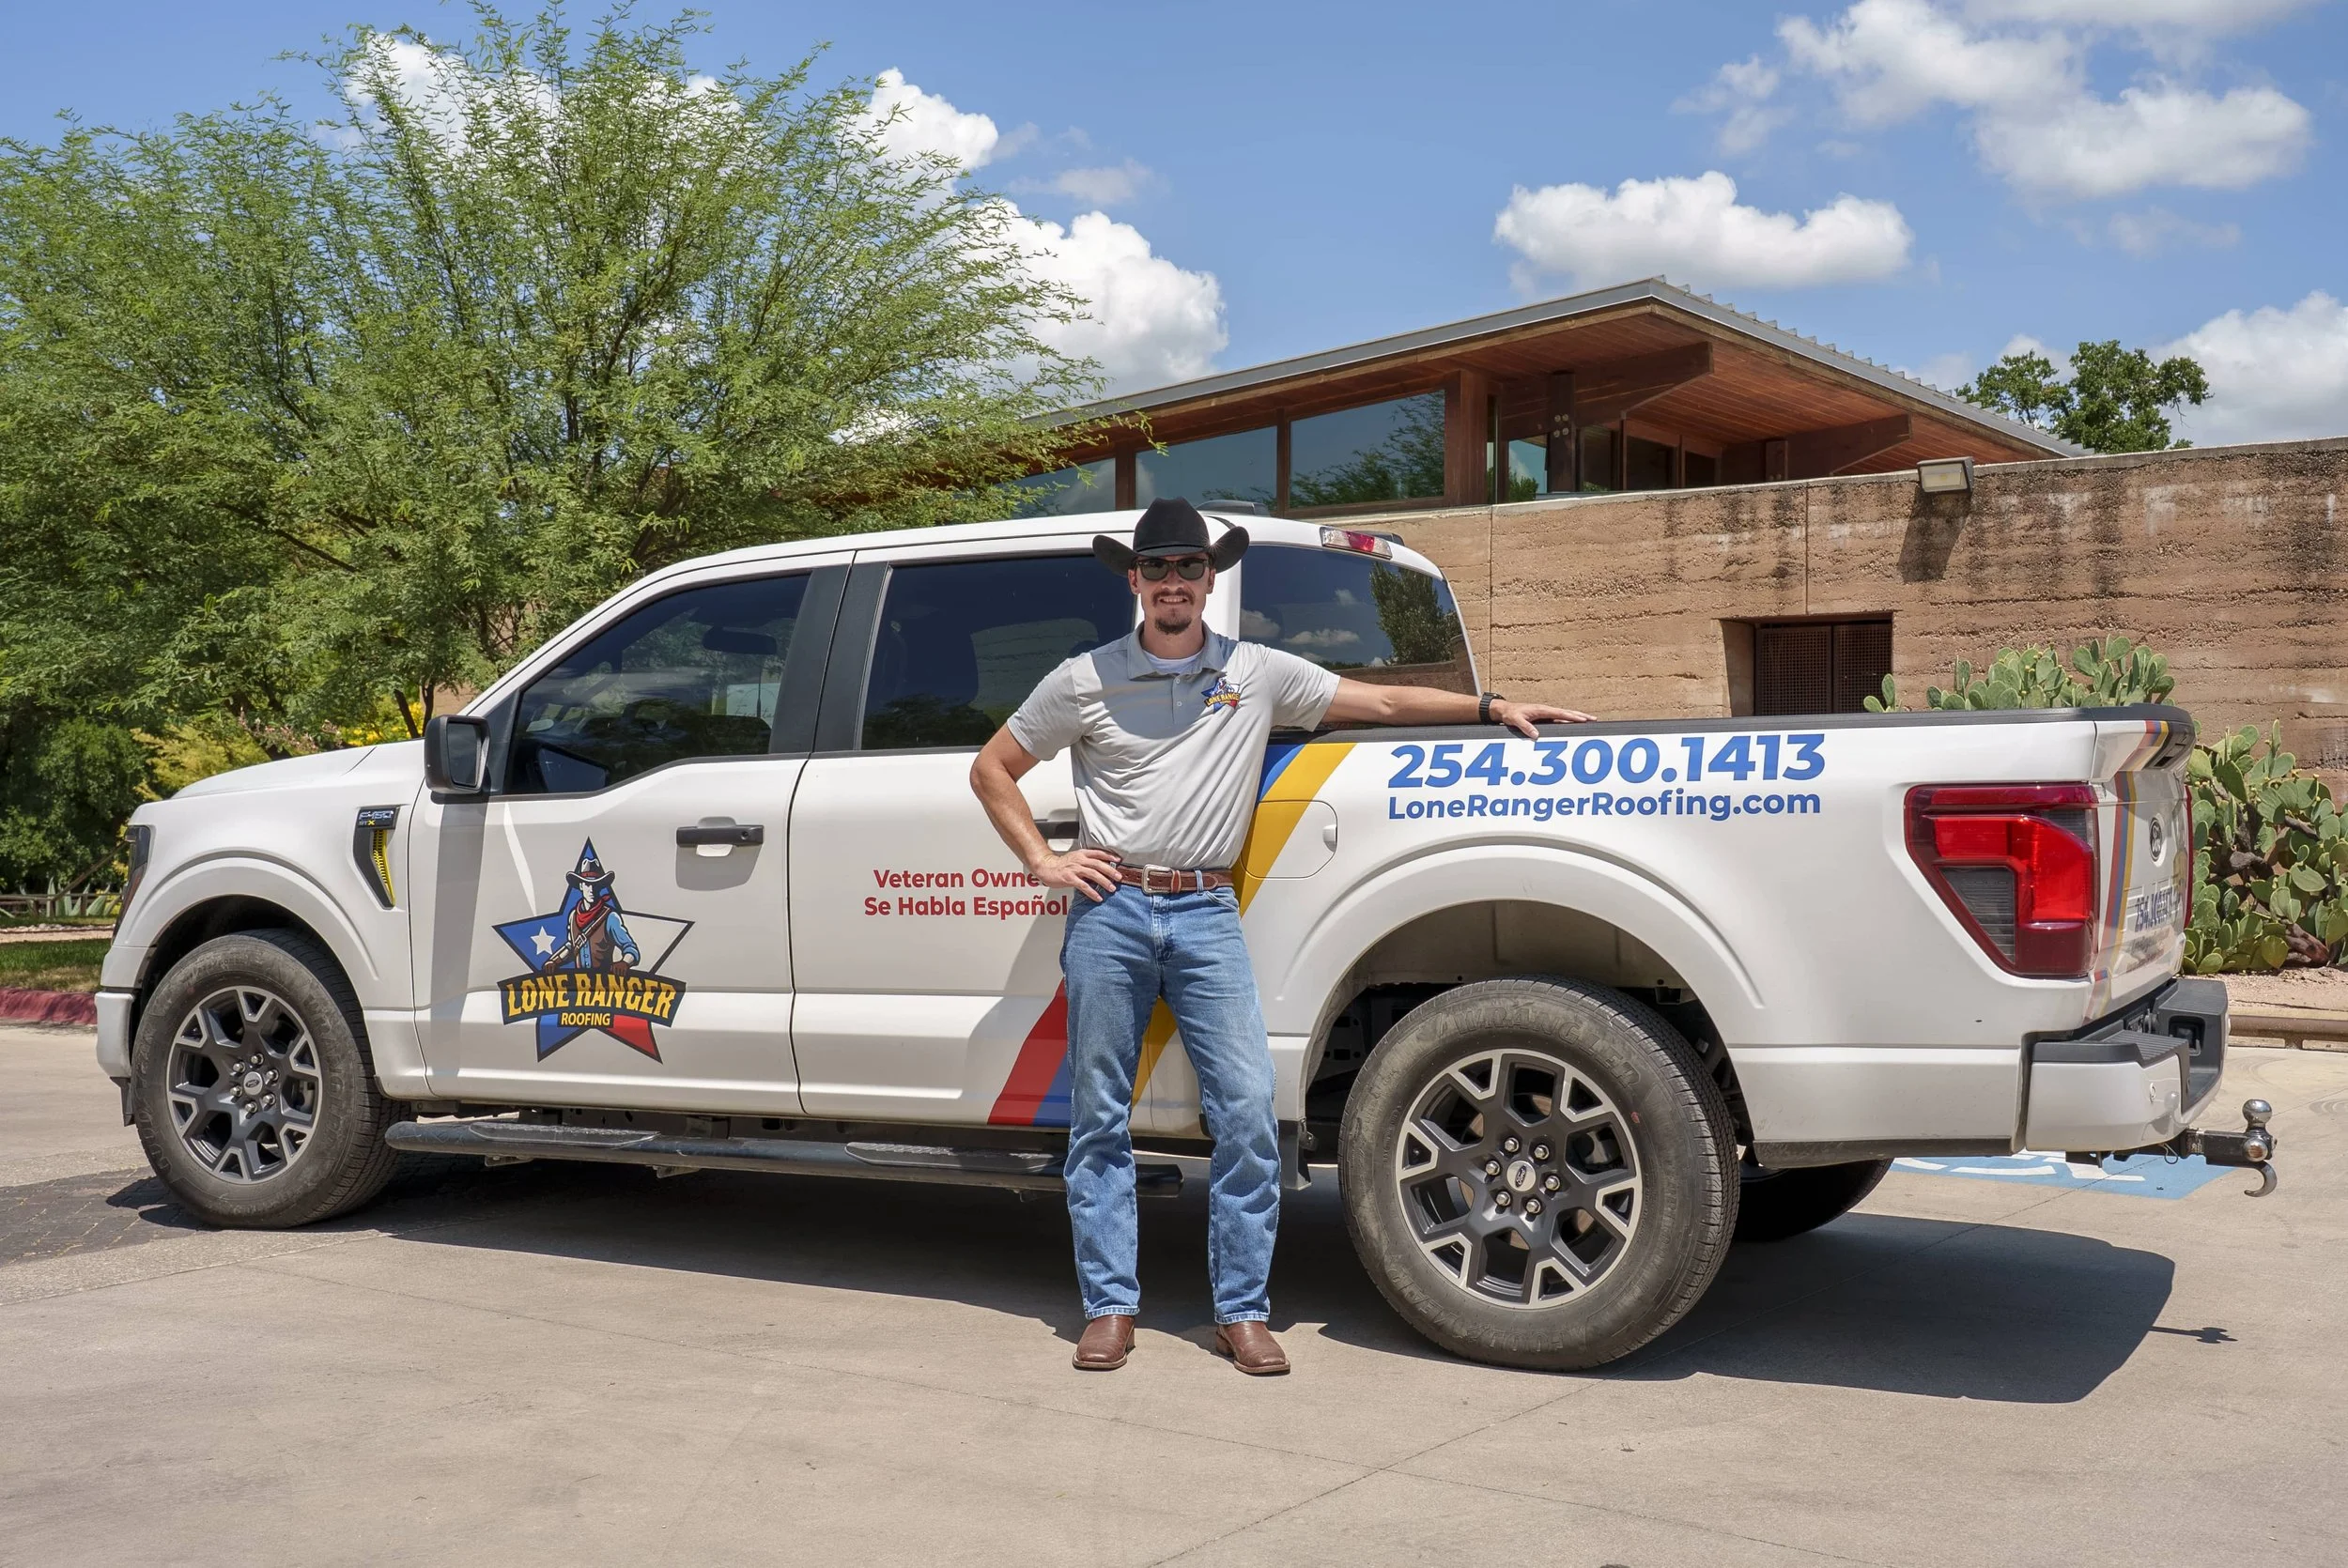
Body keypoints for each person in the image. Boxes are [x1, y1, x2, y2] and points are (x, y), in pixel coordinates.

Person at [969, 498, 1590, 1376]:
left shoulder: (1255, 672)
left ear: (1209, 580)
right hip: (1109, 912)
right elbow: (992, 767)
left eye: (1189, 568)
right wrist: (1044, 860)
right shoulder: (1085, 678)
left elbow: (1373, 700)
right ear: (1136, 581)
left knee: (1249, 1117)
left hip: (1205, 912)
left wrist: (1489, 706)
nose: (1174, 583)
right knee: (1099, 1123)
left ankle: (1241, 1311)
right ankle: (1110, 1307)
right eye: (1158, 569)